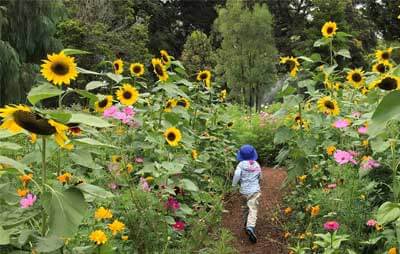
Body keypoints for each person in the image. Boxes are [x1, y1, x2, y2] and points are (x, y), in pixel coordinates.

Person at [232, 144, 262, 243]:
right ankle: (250, 226)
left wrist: (234, 185)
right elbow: (260, 177)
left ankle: (246, 223)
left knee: (245, 208)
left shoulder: (240, 165)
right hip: (254, 191)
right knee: (253, 209)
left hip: (243, 191)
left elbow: (236, 175)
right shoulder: (257, 164)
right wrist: (258, 182)